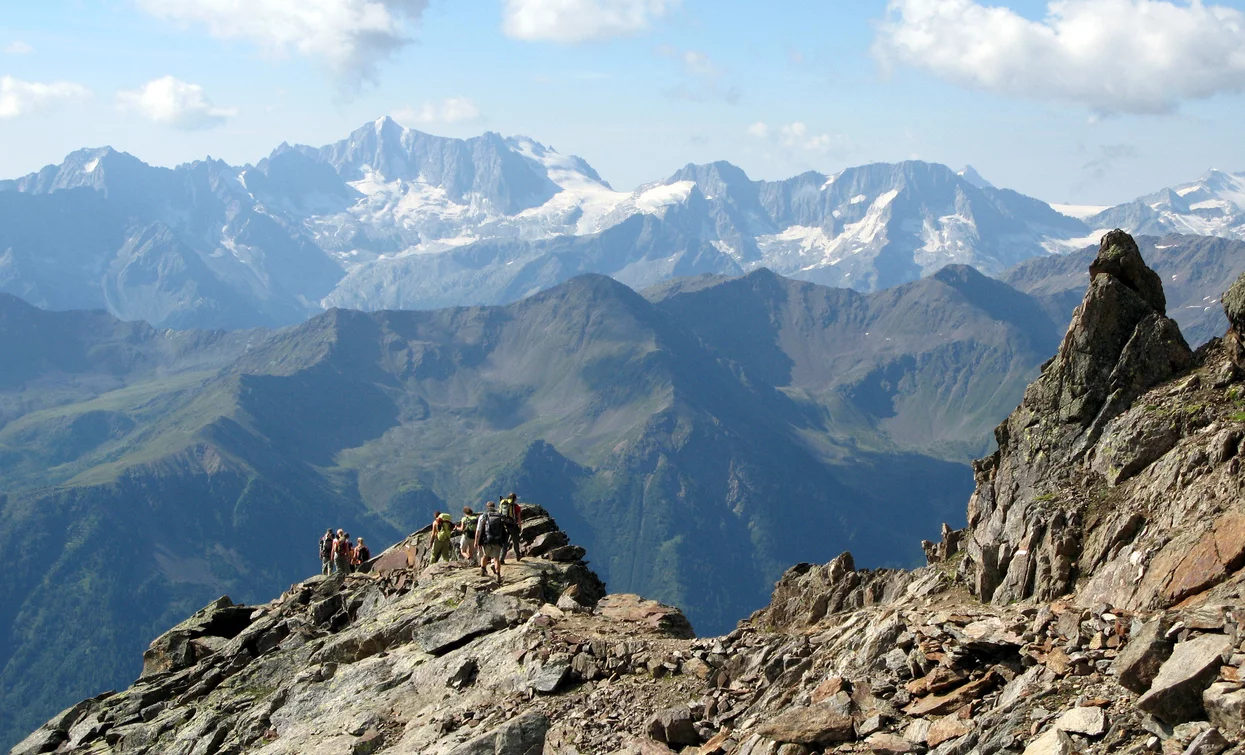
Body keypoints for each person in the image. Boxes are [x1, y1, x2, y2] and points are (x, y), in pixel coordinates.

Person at [475, 501, 505, 582]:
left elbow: (479, 530)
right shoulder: (499, 516)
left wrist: (477, 541)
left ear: (487, 507)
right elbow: (503, 529)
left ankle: (483, 570)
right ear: (494, 507)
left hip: (487, 540)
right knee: (496, 559)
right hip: (497, 540)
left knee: (485, 555)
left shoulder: (484, 516)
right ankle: (498, 574)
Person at [499, 493, 523, 563]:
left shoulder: (503, 504)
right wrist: (520, 527)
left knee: (504, 543)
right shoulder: (516, 507)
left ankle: (501, 558)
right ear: (514, 499)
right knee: (515, 541)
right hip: (513, 526)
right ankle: (518, 556)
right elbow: (519, 518)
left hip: (504, 525)